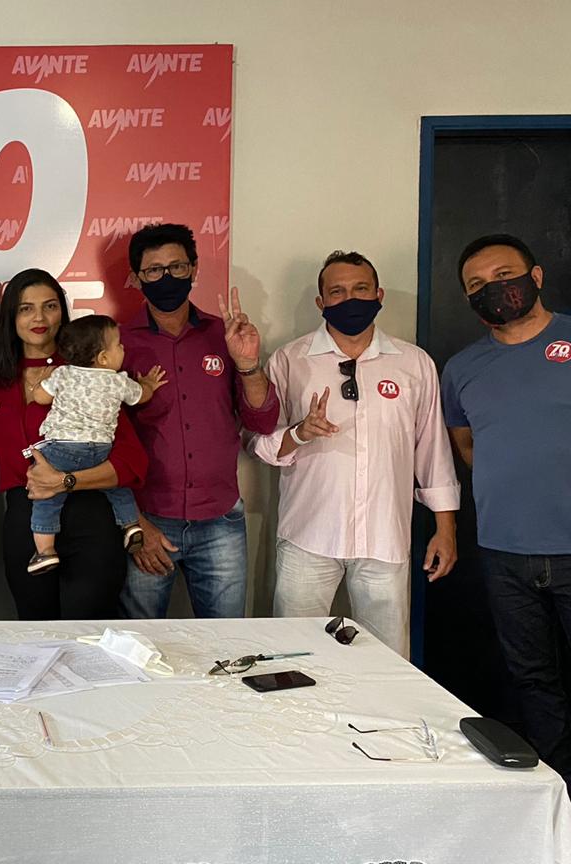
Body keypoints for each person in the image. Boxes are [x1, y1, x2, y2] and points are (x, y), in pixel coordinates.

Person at [246, 251, 460, 657]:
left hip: (385, 537)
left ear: (379, 295)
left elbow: (433, 450)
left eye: (361, 289)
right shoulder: (290, 360)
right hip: (308, 536)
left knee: (386, 660)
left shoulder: (413, 363)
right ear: (320, 302)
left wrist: (445, 529)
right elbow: (259, 444)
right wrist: (300, 433)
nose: (350, 299)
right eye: (337, 292)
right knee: (292, 655)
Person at [442, 233, 571, 776]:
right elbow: (468, 445)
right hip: (504, 552)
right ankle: (560, 787)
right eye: (477, 284)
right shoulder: (462, 368)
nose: (492, 289)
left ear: (535, 276)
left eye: (503, 276)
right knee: (532, 678)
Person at [0, 270, 150, 619]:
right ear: (11, 316)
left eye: (49, 306)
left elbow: (129, 460)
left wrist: (66, 481)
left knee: (89, 631)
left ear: (62, 312)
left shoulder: (88, 373)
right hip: (26, 521)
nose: (39, 318)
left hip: (91, 516)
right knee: (36, 629)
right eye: (26, 308)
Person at [118, 223, 281, 619]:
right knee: (136, 642)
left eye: (176, 267)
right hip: (148, 519)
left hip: (220, 520)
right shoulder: (118, 343)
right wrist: (133, 524)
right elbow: (106, 443)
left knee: (226, 644)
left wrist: (247, 363)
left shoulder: (223, 335)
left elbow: (262, 421)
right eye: (154, 270)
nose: (166, 277)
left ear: (194, 269)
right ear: (137, 278)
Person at [26, 315, 166, 573]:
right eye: (119, 345)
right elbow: (141, 396)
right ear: (103, 358)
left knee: (47, 498)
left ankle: (45, 551)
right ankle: (130, 525)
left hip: (63, 448)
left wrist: (39, 384)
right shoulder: (118, 381)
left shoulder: (63, 373)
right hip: (101, 450)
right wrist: (148, 384)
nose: (123, 349)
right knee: (118, 488)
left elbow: (41, 397)